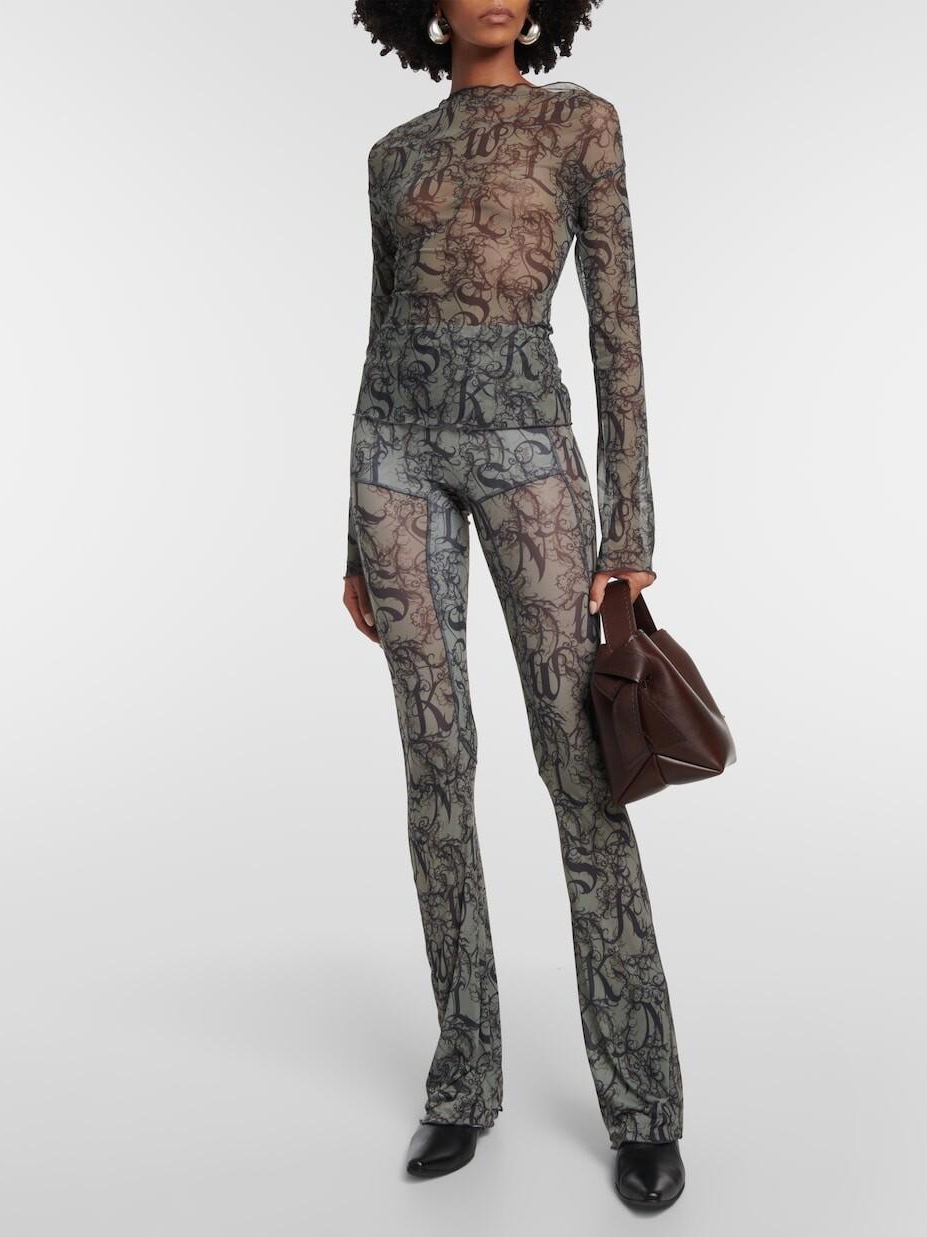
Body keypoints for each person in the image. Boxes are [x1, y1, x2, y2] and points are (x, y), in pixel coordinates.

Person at [346, 1, 685, 1209]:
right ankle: (462, 1078)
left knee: (578, 764)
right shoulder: (392, 153)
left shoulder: (580, 125)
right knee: (434, 766)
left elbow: (617, 329)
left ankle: (642, 1103)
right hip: (393, 462)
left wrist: (628, 526)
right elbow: (379, 330)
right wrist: (349, 535)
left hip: (527, 456)